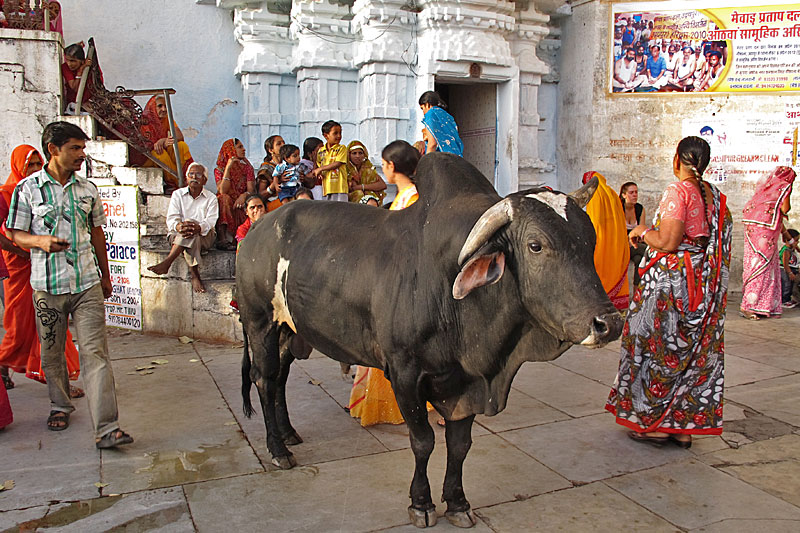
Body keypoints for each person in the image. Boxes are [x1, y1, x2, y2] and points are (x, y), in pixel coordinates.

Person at [6, 121, 133, 447]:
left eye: (82, 148)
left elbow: (97, 235)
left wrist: (106, 276)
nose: (81, 155)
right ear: (54, 150)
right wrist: (38, 241)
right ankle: (59, 405)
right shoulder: (27, 190)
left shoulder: (87, 189)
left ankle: (107, 428)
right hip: (47, 288)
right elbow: (12, 233)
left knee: (96, 356)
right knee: (52, 354)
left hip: (86, 285)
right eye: (75, 148)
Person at [606, 136, 731, 449]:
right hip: (703, 288)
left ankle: (656, 425)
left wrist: (641, 232)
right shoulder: (717, 197)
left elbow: (670, 240)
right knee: (690, 353)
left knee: (656, 346)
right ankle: (682, 426)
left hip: (672, 286)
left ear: (678, 160)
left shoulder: (678, 191)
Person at [349, 140, 423, 426]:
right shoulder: (404, 197)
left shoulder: (413, 198)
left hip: (402, 284)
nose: (383, 169)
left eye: (383, 164)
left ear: (391, 167)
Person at [0, 145, 82, 395]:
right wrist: (24, 251)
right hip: (19, 265)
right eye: (30, 165)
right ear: (18, 167)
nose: (35, 170)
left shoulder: (41, 190)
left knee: (53, 322)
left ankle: (61, 380)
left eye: (38, 164)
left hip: (45, 264)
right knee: (20, 326)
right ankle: (3, 365)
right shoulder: (6, 193)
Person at [148, 162, 219, 293]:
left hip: (204, 237)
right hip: (178, 235)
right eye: (191, 174)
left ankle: (168, 262)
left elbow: (210, 222)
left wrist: (198, 227)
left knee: (192, 229)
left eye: (198, 175)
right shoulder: (177, 194)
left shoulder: (211, 198)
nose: (194, 177)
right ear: (186, 178)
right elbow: (171, 219)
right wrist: (179, 226)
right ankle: (194, 274)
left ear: (204, 179)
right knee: (189, 232)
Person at [741, 166, 797, 319]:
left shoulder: (764, 193)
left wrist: (786, 235)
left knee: (759, 265)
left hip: (754, 231)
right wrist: (788, 192)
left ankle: (764, 305)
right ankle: (749, 305)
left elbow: (774, 215)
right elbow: (785, 209)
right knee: (763, 266)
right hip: (765, 235)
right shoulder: (783, 188)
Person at [582, 171, 629, 311]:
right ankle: (618, 304)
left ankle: (602, 303)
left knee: (602, 271)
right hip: (617, 239)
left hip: (602, 240)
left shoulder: (595, 194)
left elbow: (594, 221)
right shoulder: (612, 193)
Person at [139, 95, 194, 189]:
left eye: (165, 106)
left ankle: (187, 175)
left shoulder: (166, 119)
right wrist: (159, 144)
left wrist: (163, 141)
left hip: (161, 150)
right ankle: (179, 182)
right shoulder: (145, 121)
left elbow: (180, 136)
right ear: (152, 108)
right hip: (147, 157)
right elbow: (145, 146)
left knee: (181, 145)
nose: (164, 109)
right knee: (160, 153)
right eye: (160, 106)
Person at [214, 139, 255, 248]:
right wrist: (228, 168)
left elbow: (251, 190)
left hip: (241, 202)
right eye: (240, 147)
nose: (244, 149)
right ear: (230, 150)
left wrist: (243, 195)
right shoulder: (219, 170)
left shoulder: (247, 167)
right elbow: (222, 190)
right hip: (227, 204)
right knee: (223, 198)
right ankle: (223, 239)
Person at [313, 120, 349, 202]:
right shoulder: (321, 151)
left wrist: (321, 169)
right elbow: (319, 164)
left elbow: (338, 163)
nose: (339, 136)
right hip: (327, 188)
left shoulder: (341, 148)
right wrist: (320, 173)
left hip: (340, 188)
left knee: (341, 210)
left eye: (340, 133)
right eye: (335, 133)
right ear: (326, 135)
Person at [419, 91, 463, 156]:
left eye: (422, 108)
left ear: (427, 104)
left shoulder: (430, 114)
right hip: (456, 157)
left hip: (442, 160)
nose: (423, 112)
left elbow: (432, 144)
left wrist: (427, 162)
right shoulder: (448, 116)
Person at [619, 181, 647, 286]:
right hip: (622, 245)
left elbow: (642, 230)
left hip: (635, 245)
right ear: (624, 195)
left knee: (639, 259)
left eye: (636, 192)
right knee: (647, 251)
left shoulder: (640, 209)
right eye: (631, 192)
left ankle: (636, 294)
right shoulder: (618, 208)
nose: (635, 195)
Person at [61, 42, 100, 113]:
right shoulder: (65, 67)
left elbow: (97, 85)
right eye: (67, 60)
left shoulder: (89, 67)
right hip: (74, 104)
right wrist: (80, 71)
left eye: (73, 61)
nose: (69, 64)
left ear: (82, 61)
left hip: (90, 103)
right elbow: (74, 88)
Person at [256, 135, 285, 200]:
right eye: (279, 144)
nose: (283, 145)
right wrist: (277, 182)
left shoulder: (288, 165)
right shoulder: (266, 169)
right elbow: (260, 195)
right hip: (274, 205)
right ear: (271, 150)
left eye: (283, 142)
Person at [780, 229, 800, 308]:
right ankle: (784, 300)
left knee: (791, 285)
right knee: (786, 285)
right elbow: (785, 264)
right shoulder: (786, 250)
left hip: (792, 270)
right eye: (796, 240)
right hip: (785, 271)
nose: (797, 243)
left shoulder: (792, 249)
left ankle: (788, 299)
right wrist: (790, 273)